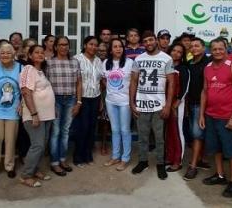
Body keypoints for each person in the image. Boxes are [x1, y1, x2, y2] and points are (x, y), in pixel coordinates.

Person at [199, 38, 232, 198]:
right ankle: (220, 175)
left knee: (231, 152)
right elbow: (204, 91)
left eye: (221, 49)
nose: (218, 51)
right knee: (215, 148)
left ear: (226, 49)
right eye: (215, 49)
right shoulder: (208, 67)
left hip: (227, 117)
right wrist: (202, 114)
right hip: (211, 116)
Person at [130, 30, 175, 180]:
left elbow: (171, 84)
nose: (148, 43)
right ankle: (143, 161)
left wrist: (168, 105)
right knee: (142, 136)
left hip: (159, 105)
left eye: (151, 40)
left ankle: (160, 164)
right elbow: (134, 81)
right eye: (146, 41)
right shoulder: (138, 59)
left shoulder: (166, 58)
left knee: (159, 137)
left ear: (156, 40)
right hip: (142, 103)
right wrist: (132, 102)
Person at [19, 45, 55, 187]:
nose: (40, 54)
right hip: (35, 116)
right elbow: (26, 92)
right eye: (36, 52)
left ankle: (35, 170)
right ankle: (26, 175)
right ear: (30, 55)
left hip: (47, 116)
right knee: (37, 145)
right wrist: (34, 114)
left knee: (42, 145)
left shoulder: (40, 71)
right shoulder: (28, 70)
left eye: (42, 52)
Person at [45, 36, 82, 175]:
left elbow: (79, 83)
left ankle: (62, 159)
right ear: (55, 47)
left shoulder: (74, 62)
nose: (64, 47)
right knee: (55, 131)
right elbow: (46, 85)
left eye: (66, 44)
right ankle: (54, 162)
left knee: (65, 131)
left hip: (70, 99)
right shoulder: (50, 63)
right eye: (61, 45)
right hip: (55, 100)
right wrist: (50, 104)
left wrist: (78, 102)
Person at [0, 43, 21, 180]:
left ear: (13, 54)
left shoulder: (20, 67)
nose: (5, 55)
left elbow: (25, 88)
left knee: (10, 140)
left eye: (8, 53)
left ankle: (9, 166)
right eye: (2, 53)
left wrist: (22, 103)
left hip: (13, 109)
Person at [102, 38, 135, 171]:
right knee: (115, 130)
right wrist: (111, 89)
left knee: (125, 130)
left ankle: (125, 158)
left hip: (125, 102)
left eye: (120, 46)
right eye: (115, 46)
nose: (118, 49)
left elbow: (134, 81)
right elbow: (104, 79)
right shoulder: (105, 63)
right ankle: (115, 156)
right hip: (110, 101)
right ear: (111, 50)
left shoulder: (129, 62)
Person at [73, 36, 104, 167]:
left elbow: (100, 81)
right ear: (85, 45)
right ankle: (78, 157)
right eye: (91, 44)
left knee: (92, 127)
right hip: (82, 99)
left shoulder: (98, 61)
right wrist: (77, 101)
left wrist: (101, 100)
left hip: (95, 98)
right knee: (82, 128)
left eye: (96, 45)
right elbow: (74, 82)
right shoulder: (76, 59)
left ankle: (88, 155)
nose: (93, 47)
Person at [183, 37, 211, 181]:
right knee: (198, 134)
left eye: (197, 46)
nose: (194, 48)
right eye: (192, 46)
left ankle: (193, 166)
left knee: (197, 134)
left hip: (204, 104)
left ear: (203, 48)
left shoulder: (209, 63)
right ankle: (200, 159)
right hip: (191, 103)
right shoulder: (189, 64)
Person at [165, 43, 190, 172]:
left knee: (177, 132)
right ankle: (170, 157)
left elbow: (185, 89)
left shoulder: (184, 69)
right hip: (166, 102)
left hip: (177, 105)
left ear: (182, 55)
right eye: (174, 50)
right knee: (169, 132)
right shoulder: (166, 66)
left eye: (179, 52)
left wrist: (177, 103)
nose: (175, 53)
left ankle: (177, 161)